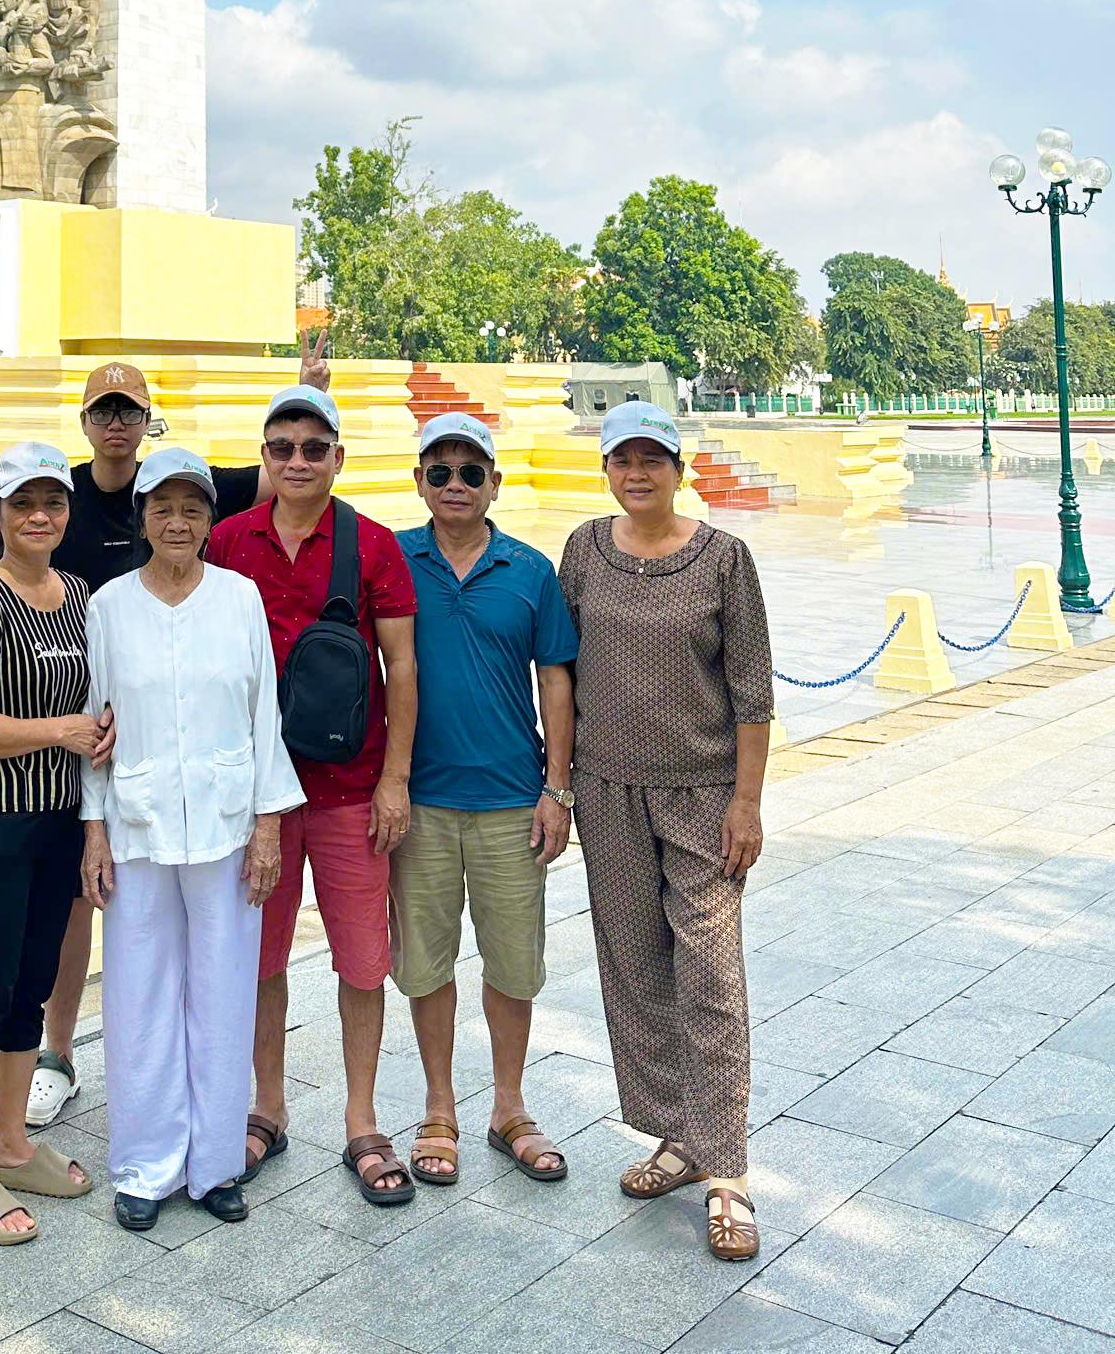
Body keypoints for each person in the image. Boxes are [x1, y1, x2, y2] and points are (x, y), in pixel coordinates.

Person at [0, 331, 328, 1129]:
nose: (116, 423)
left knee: (209, 979)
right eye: (104, 410)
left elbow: (276, 476)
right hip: (96, 790)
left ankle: (212, 1143)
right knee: (106, 967)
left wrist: (303, 392)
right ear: (88, 421)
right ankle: (70, 1077)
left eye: (130, 410)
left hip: (194, 797)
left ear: (147, 420)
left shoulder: (226, 581)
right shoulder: (60, 508)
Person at [558, 401, 774, 1266]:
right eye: (622, 460)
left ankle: (729, 1174)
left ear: (678, 468)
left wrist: (748, 802)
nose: (636, 473)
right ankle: (678, 1136)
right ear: (607, 469)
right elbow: (562, 673)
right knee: (636, 969)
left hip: (702, 792)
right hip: (608, 791)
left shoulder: (724, 560)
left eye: (652, 459)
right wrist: (560, 785)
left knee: (711, 974)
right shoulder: (584, 551)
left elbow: (753, 692)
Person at [79, 448, 304, 1231]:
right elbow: (96, 723)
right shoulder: (108, 605)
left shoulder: (239, 597)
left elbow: (261, 713)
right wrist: (94, 829)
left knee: (222, 994)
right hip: (137, 827)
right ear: (141, 517)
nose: (177, 523)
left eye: (193, 509)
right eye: (162, 508)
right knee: (138, 998)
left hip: (227, 825)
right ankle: (144, 1165)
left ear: (212, 519)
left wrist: (268, 825)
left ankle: (212, 1165)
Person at [206, 386, 419, 1206]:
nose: (297, 460)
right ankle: (267, 1104)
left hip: (347, 785)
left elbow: (400, 665)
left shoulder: (370, 545)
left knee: (363, 959)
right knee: (260, 959)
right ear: (266, 458)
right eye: (282, 448)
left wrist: (395, 779)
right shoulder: (229, 542)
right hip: (259, 791)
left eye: (313, 447)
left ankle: (362, 1119)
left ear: (338, 458)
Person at [391, 414, 578, 1189]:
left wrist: (556, 788)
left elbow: (557, 679)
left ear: (495, 483)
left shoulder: (530, 570)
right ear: (420, 483)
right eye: (440, 473)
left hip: (510, 799)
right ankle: (440, 1105)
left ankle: (509, 1104)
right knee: (426, 964)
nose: (456, 485)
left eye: (472, 472)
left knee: (513, 964)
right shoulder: (396, 560)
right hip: (421, 801)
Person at [0, 443, 99, 1243]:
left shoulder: (77, 595)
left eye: (53, 504)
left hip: (59, 821)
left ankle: (8, 1140)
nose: (39, 517)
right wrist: (60, 732)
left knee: (34, 980)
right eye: (23, 504)